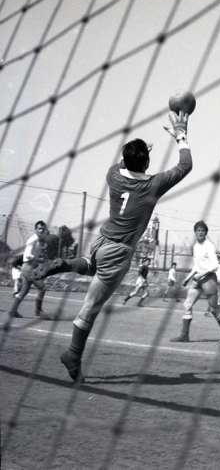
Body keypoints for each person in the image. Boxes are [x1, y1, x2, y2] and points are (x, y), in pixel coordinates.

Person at [32, 110, 192, 382]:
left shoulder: (114, 175)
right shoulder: (153, 185)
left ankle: (64, 264)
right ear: (147, 161)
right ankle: (73, 355)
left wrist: (136, 153)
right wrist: (181, 133)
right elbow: (185, 165)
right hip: (118, 250)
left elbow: (125, 163)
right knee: (91, 307)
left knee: (90, 266)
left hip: (101, 240)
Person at [171, 221, 220, 343]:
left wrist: (201, 274)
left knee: (214, 309)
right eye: (198, 230)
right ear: (195, 232)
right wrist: (187, 278)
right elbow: (196, 266)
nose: (200, 233)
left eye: (203, 230)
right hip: (197, 279)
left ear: (206, 233)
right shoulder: (196, 247)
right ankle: (184, 335)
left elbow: (215, 265)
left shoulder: (209, 246)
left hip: (209, 279)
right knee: (187, 304)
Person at [8, 221, 52, 319]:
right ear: (35, 230)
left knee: (24, 291)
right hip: (29, 268)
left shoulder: (39, 240)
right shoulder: (33, 240)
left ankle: (13, 311)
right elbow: (28, 255)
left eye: (43, 229)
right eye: (39, 228)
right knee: (42, 288)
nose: (41, 230)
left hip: (28, 268)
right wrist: (39, 259)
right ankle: (38, 312)